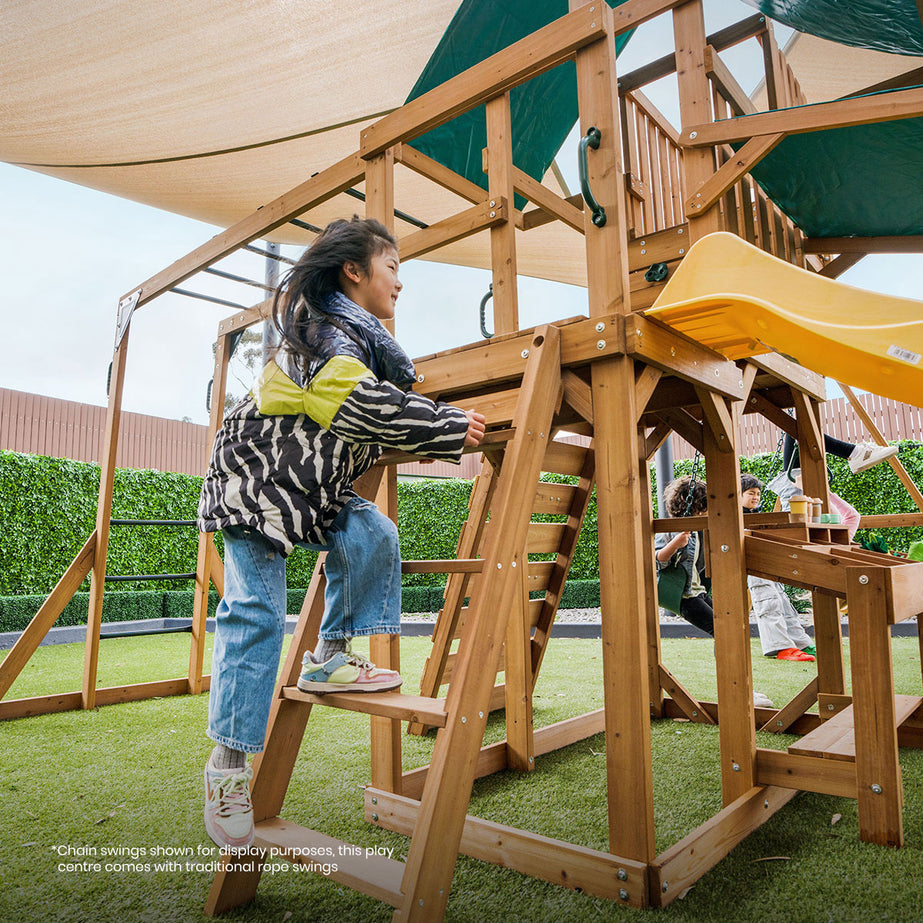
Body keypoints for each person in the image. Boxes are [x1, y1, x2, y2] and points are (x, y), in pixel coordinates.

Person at [196, 216, 486, 849]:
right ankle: (227, 767)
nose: (401, 284)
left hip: (312, 486)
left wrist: (424, 412)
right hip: (254, 480)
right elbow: (353, 406)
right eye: (393, 269)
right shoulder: (326, 334)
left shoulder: (359, 341)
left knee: (374, 534)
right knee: (256, 613)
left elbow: (367, 408)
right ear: (355, 272)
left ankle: (327, 660)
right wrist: (442, 424)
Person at [656, 475, 774, 709]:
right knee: (725, 632)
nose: (708, 514)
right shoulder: (672, 530)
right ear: (693, 507)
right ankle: (737, 691)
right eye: (704, 510)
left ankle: (740, 687)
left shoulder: (700, 530)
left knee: (732, 628)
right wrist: (675, 544)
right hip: (683, 596)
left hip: (697, 592)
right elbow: (658, 559)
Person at [741, 474, 816, 661]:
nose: (756, 497)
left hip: (766, 562)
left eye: (758, 493)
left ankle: (800, 642)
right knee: (768, 601)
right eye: (751, 493)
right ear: (738, 495)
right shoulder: (735, 515)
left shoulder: (756, 515)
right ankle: (780, 646)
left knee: (783, 602)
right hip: (752, 564)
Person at [782, 432, 896, 476]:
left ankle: (854, 452)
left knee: (799, 425)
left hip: (797, 480)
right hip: (796, 484)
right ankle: (855, 453)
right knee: (799, 425)